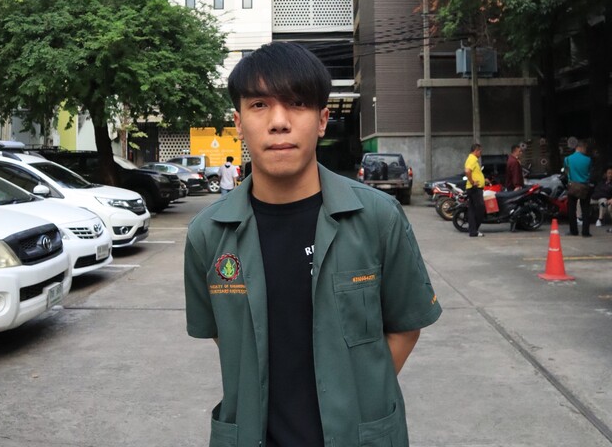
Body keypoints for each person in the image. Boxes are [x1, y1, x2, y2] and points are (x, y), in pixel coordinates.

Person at [184, 42, 441, 447]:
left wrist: (354, 396)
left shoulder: (377, 217)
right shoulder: (208, 233)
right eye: (259, 105)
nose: (279, 122)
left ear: (322, 120)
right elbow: (226, 334)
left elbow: (406, 327)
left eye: (297, 103)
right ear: (238, 122)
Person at [564, 140, 592, 237]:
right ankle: (585, 232)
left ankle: (573, 231)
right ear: (581, 147)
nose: (586, 150)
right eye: (585, 148)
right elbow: (589, 172)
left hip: (572, 186)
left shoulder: (567, 159)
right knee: (585, 209)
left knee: (572, 209)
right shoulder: (588, 159)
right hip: (584, 186)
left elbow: (566, 172)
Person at [464, 143, 486, 237]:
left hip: (474, 188)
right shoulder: (472, 159)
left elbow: (473, 172)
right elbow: (467, 171)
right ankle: (474, 229)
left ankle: (473, 231)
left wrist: (484, 180)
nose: (481, 153)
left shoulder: (473, 159)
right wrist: (472, 182)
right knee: (480, 209)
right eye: (480, 151)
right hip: (475, 188)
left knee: (472, 210)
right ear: (476, 151)